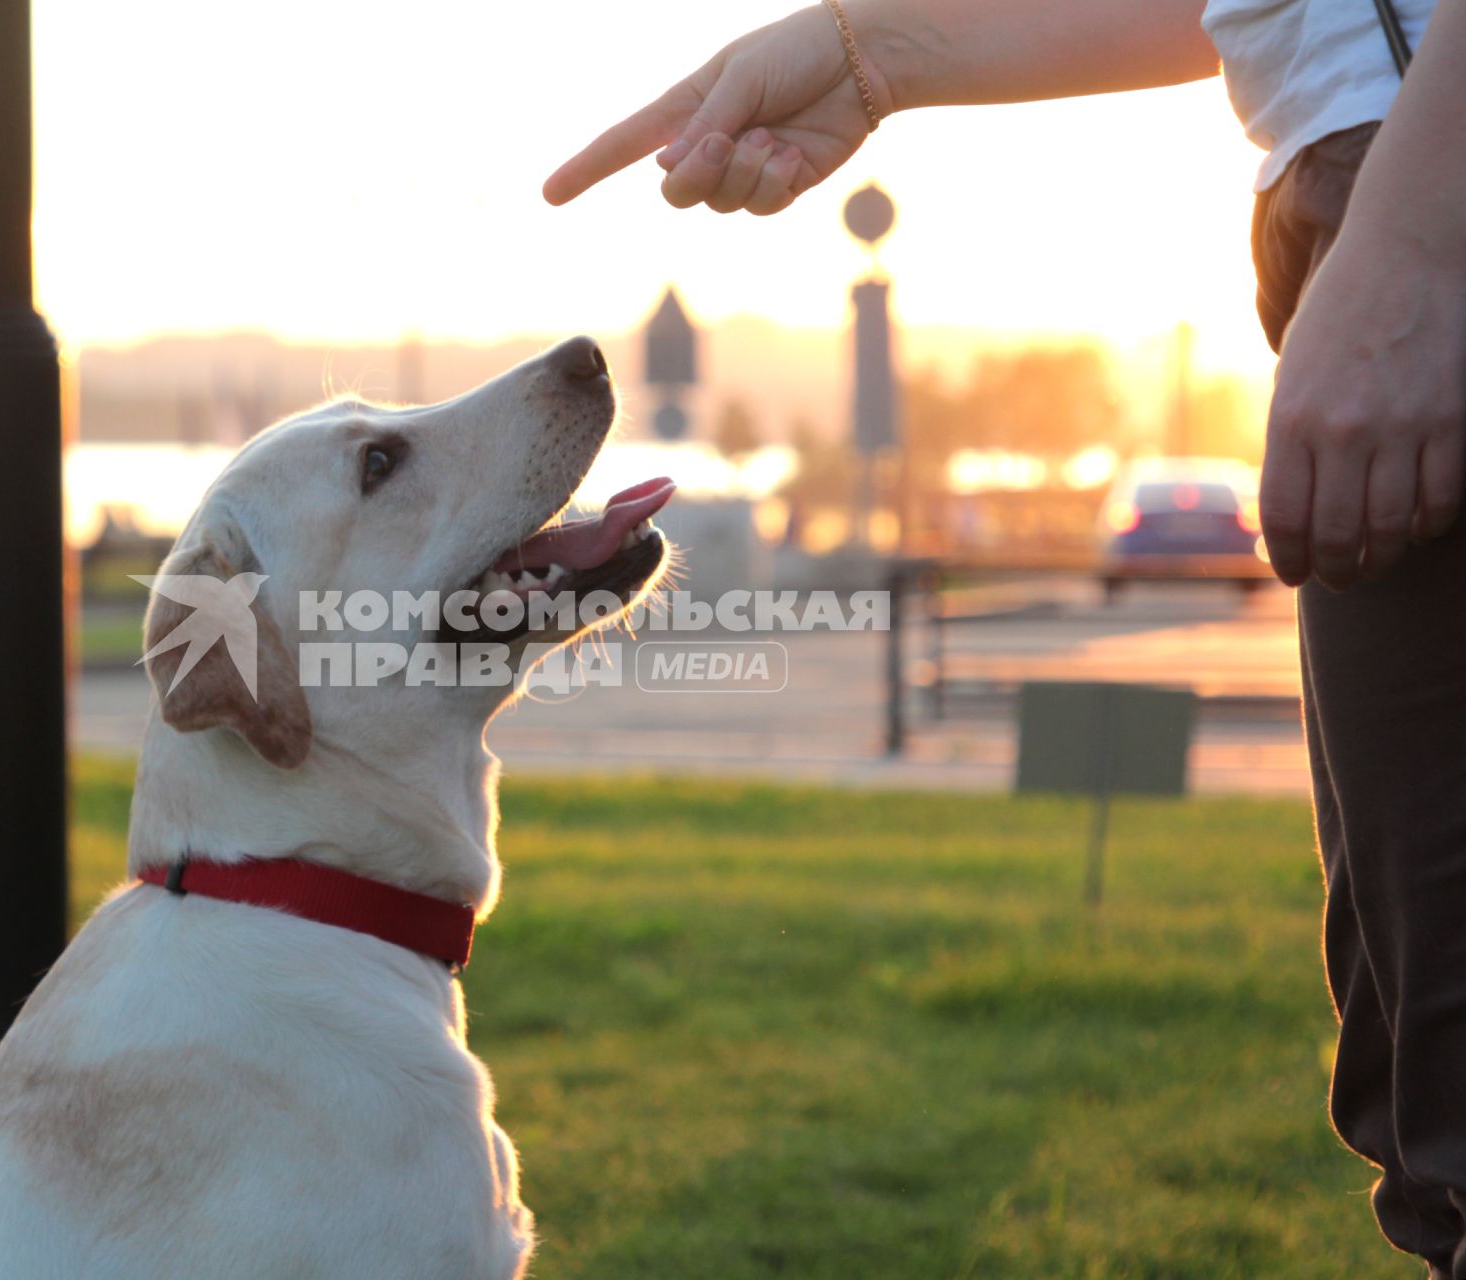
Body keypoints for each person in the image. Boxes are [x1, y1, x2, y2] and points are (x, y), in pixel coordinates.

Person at [545, 2, 1466, 1274]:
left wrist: (1419, 244)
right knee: (1434, 1125)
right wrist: (872, 55)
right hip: (1378, 175)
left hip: (1424, 171)